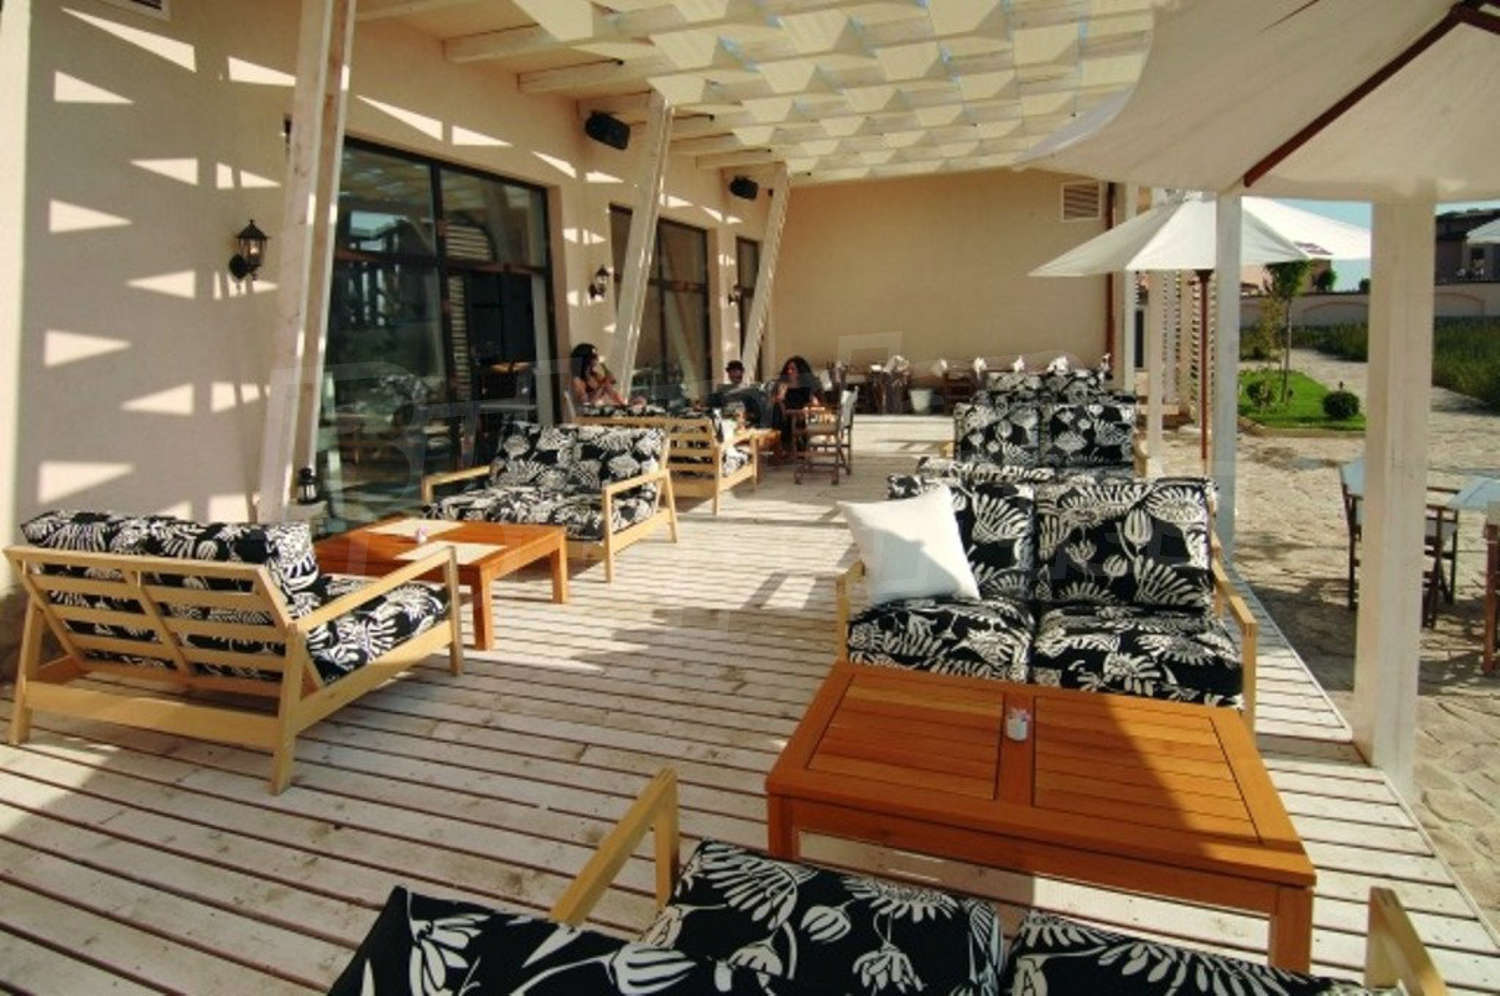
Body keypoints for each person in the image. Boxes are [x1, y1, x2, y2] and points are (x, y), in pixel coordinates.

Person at [771, 355, 822, 451]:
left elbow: (815, 402)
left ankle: (796, 447)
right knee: (778, 410)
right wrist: (780, 397)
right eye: (788, 369)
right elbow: (773, 400)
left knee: (799, 419)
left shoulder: (807, 385)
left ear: (800, 371)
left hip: (801, 415)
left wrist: (809, 406)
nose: (789, 371)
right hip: (785, 414)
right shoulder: (782, 384)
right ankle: (785, 446)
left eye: (793, 369)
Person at [568, 342, 627, 411]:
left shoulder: (595, 375)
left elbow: (612, 386)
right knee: (605, 384)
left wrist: (605, 369)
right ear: (587, 359)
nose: (597, 358)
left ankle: (624, 406)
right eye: (595, 356)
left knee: (607, 385)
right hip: (587, 413)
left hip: (600, 409)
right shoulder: (577, 380)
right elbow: (586, 403)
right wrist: (603, 385)